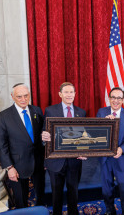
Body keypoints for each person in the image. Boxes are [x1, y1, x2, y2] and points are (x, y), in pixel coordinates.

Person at [0, 83, 45, 208]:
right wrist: (9, 167)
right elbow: (2, 145)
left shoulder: (37, 110)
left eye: (26, 96)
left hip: (38, 163)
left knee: (41, 196)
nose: (23, 99)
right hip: (17, 165)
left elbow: (40, 136)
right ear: (12, 96)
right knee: (21, 201)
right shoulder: (3, 116)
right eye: (19, 96)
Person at [41, 82, 86, 215]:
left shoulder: (81, 112)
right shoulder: (50, 110)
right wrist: (43, 138)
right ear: (60, 94)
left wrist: (84, 150)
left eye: (71, 92)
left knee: (73, 192)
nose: (69, 95)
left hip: (74, 160)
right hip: (55, 161)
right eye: (66, 92)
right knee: (56, 193)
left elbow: (83, 135)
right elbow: (44, 131)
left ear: (75, 94)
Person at [96, 87, 124, 215]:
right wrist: (104, 124)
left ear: (123, 99)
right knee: (107, 188)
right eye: (113, 97)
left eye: (119, 98)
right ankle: (110, 210)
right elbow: (95, 132)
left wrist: (122, 148)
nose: (115, 101)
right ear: (109, 98)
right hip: (105, 158)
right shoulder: (101, 112)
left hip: (121, 158)